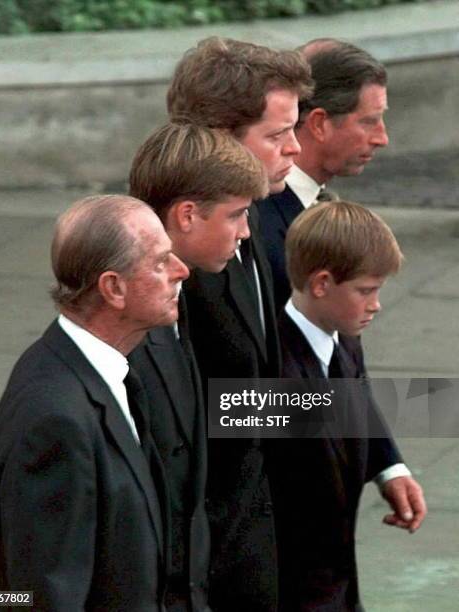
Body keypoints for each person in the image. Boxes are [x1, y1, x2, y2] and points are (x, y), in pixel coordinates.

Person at [0, 195, 189, 611]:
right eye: (161, 262)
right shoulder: (55, 421)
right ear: (113, 288)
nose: (182, 271)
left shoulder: (108, 373)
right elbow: (41, 598)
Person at [167, 37, 313, 611]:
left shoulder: (255, 223)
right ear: (221, 141)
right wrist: (421, 407)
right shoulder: (180, 271)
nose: (294, 150)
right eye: (277, 136)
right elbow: (208, 410)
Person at [128, 122, 268, 612]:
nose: (248, 230)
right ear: (187, 214)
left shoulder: (201, 274)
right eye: (277, 134)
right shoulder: (150, 316)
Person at [273, 199, 427, 611]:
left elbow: (354, 402)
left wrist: (387, 467)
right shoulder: (274, 370)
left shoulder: (345, 341)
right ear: (321, 283)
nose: (376, 304)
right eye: (366, 290)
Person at [257, 39, 391, 311]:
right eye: (368, 121)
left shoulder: (305, 205)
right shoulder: (259, 225)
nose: (382, 138)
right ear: (319, 124)